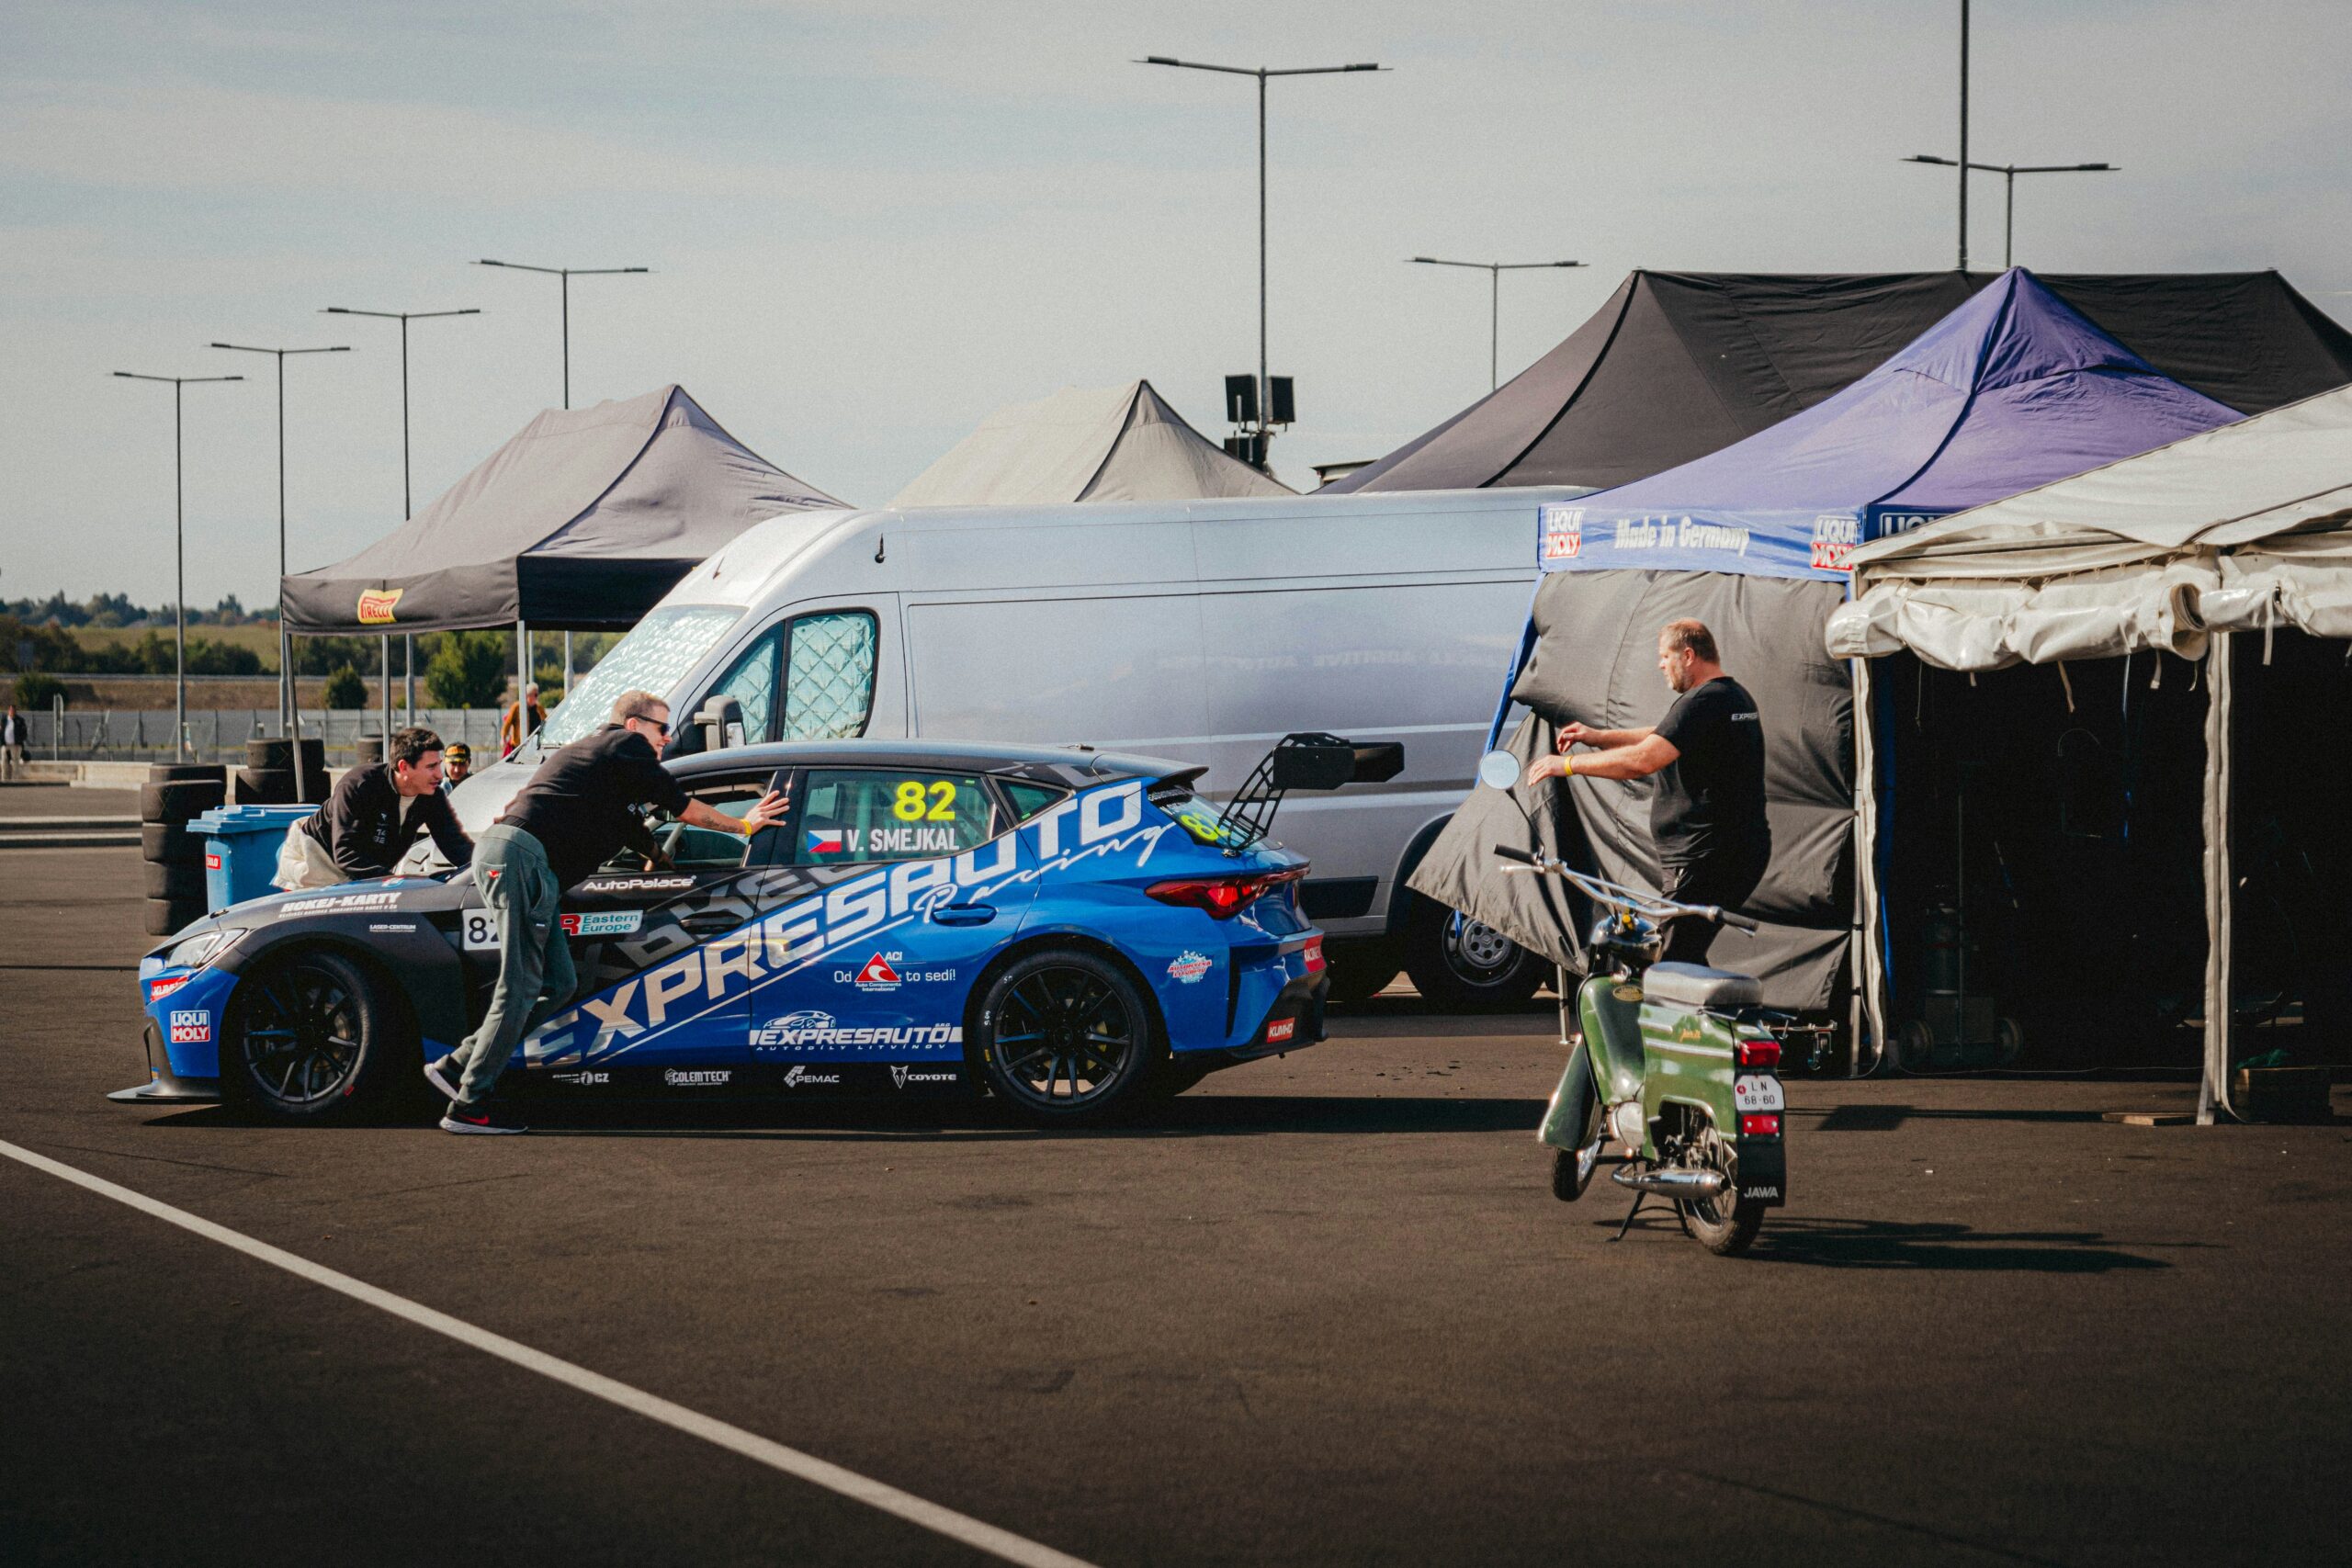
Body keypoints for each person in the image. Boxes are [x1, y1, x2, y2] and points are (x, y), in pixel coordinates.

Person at [425, 689, 789, 1134]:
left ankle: (457, 1064)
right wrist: (744, 824)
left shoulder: (602, 764)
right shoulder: (625, 746)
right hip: (522, 858)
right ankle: (469, 1105)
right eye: (662, 728)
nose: (668, 738)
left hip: (520, 858)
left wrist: (663, 858)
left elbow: (632, 828)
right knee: (519, 987)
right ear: (634, 725)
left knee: (559, 984)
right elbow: (681, 806)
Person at [1524, 617, 1769, 966]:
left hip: (1704, 858)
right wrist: (1598, 736)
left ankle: (1690, 1021)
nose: (1660, 665)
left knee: (1671, 960)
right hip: (1727, 853)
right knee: (1685, 955)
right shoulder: (1730, 696)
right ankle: (1700, 1019)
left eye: (1664, 656)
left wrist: (1565, 766)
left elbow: (1644, 760)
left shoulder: (1703, 701)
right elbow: (1666, 733)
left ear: (1687, 655)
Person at [272, 726, 473, 891]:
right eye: (431, 767)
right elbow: (345, 852)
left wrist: (483, 867)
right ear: (404, 767)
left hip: (364, 871)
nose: (440, 775)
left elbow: (454, 844)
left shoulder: (431, 794)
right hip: (317, 862)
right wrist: (395, 882)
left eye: (439, 765)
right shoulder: (359, 785)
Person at [500, 683, 544, 758]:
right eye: (535, 695)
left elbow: (546, 721)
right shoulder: (517, 707)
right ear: (528, 695)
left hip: (534, 744)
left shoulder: (539, 708)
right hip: (518, 745)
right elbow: (507, 723)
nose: (537, 697)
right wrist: (503, 738)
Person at [1, 704, 27, 783]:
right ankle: (5, 778)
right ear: (8, 710)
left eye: (13, 710)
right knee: (4, 761)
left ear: (15, 711)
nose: (12, 711)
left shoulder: (20, 720)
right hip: (5, 744)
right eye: (10, 710)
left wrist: (19, 741)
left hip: (15, 745)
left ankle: (15, 779)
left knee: (15, 761)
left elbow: (24, 732)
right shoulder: (4, 720)